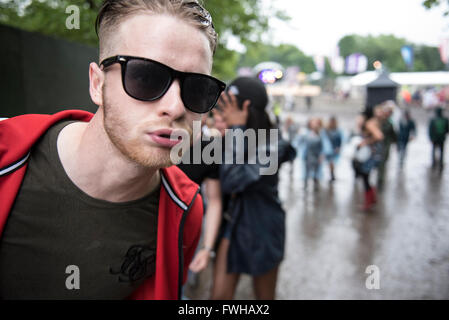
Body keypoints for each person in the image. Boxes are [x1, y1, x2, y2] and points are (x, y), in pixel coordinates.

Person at [0, 0, 226, 299]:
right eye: (145, 77)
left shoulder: (185, 211)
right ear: (97, 83)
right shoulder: (7, 156)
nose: (175, 107)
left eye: (198, 89)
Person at [211, 77, 296, 300]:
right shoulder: (233, 137)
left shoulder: (274, 145)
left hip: (264, 227)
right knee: (219, 296)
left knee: (264, 297)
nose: (222, 111)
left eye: (228, 103)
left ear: (245, 106)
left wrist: (237, 128)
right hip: (235, 224)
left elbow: (232, 180)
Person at [352, 106, 384, 211]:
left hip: (370, 155)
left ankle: (368, 203)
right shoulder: (372, 122)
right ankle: (372, 199)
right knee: (366, 177)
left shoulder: (369, 123)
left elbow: (379, 136)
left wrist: (365, 142)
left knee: (365, 177)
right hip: (372, 154)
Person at [377, 101, 397, 190]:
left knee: (382, 164)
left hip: (385, 146)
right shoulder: (379, 121)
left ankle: (380, 181)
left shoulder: (390, 123)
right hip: (379, 145)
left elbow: (394, 136)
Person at [323, 116, 343, 182]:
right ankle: (332, 175)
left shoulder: (337, 130)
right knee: (330, 163)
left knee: (332, 162)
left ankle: (332, 175)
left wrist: (338, 147)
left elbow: (340, 140)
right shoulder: (326, 130)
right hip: (328, 149)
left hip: (335, 148)